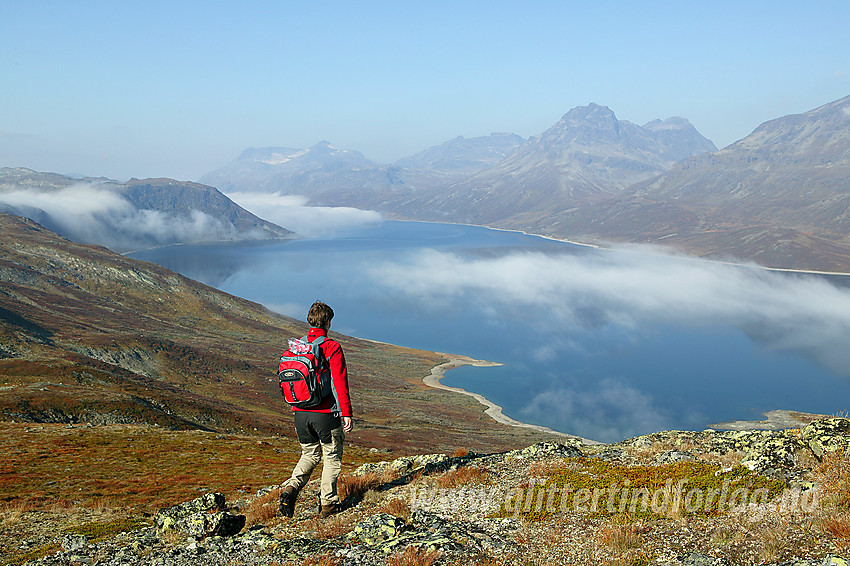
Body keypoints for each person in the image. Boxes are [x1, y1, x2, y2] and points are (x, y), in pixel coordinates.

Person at [279, 301, 354, 519]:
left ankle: (291, 488)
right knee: (331, 457)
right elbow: (339, 383)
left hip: (300, 413)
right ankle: (328, 505)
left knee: (309, 454)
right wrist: (346, 413)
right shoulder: (331, 347)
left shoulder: (296, 347)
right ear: (328, 322)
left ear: (310, 321)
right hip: (325, 415)